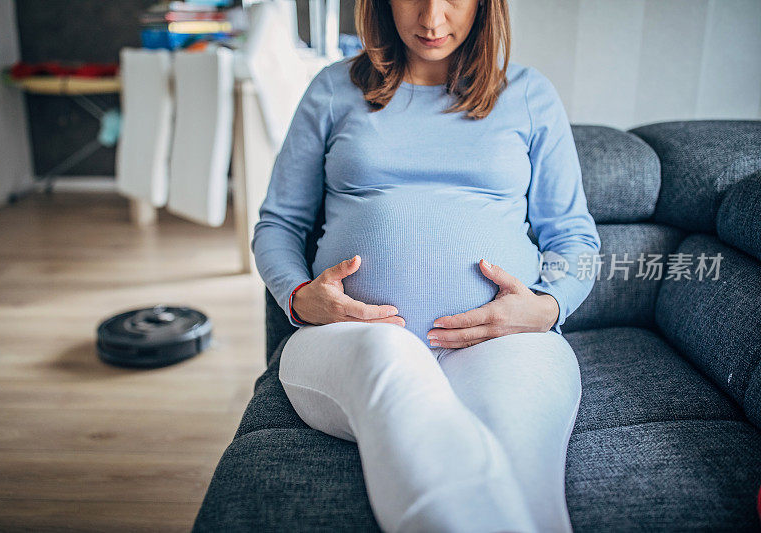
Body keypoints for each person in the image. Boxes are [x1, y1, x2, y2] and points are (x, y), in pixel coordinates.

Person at [250, 0, 601, 530]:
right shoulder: (331, 89)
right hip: (353, 339)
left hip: (500, 340)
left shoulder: (529, 94)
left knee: (520, 456)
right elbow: (278, 224)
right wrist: (300, 297)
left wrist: (547, 307)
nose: (431, 18)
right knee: (389, 361)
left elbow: (574, 237)